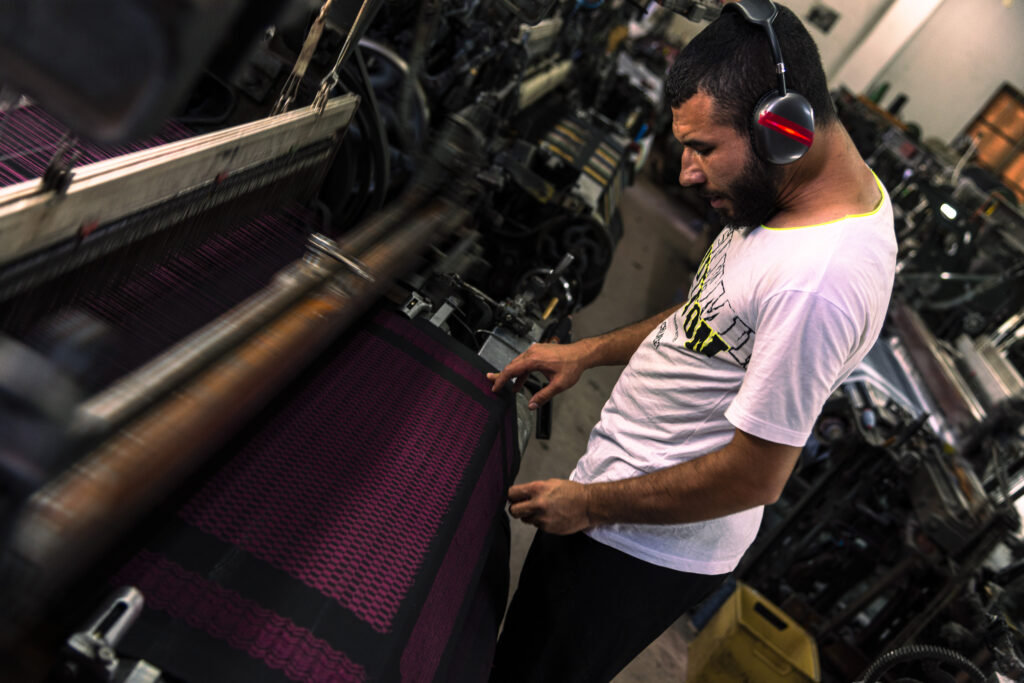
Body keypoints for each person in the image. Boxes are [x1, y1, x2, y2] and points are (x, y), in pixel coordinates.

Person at [486, 2, 897, 681]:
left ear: (785, 129)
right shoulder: (787, 198)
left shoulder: (819, 281)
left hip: (638, 545)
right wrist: (587, 351)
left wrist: (587, 504)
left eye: (704, 148)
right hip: (616, 502)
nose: (686, 172)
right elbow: (712, 314)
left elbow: (755, 475)